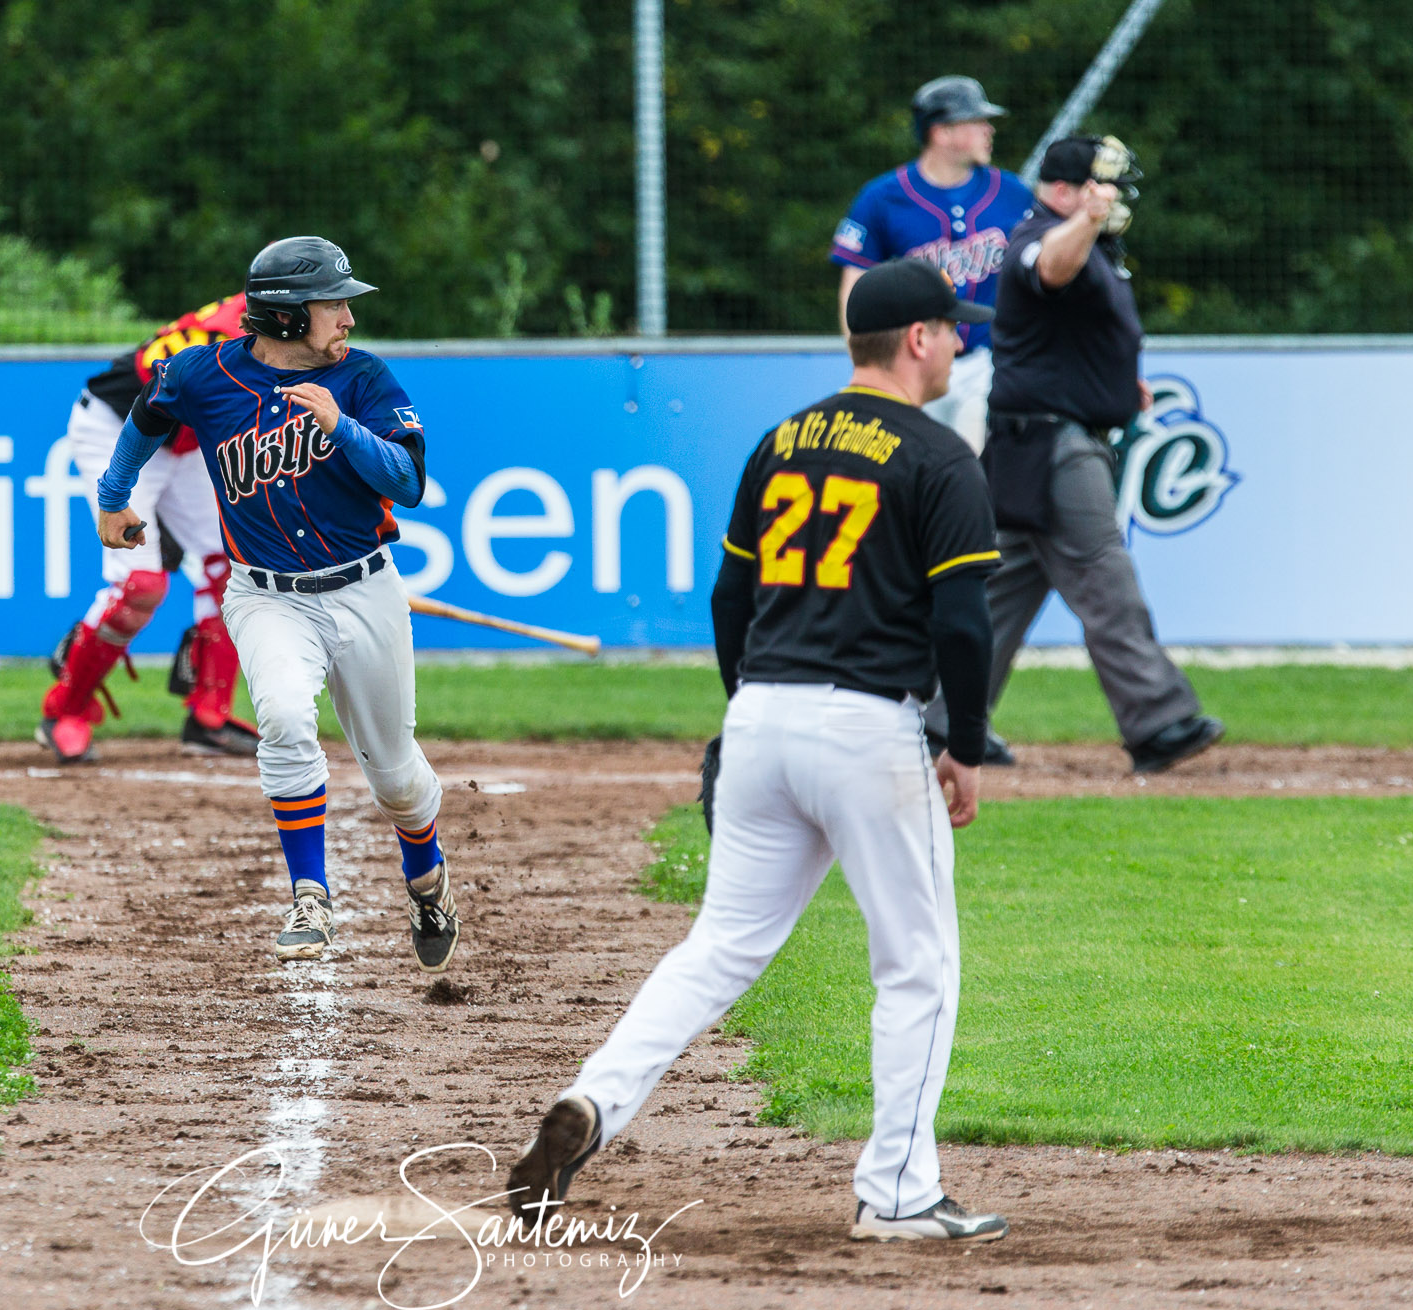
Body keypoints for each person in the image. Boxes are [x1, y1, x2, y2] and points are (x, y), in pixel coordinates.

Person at [510, 258, 1009, 1244]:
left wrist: (749, 712)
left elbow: (728, 600)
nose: (960, 341)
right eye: (950, 328)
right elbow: (961, 622)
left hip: (761, 719)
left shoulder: (780, 442)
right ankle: (898, 1195)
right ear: (915, 340)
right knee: (915, 967)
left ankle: (593, 1104)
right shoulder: (939, 456)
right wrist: (961, 743)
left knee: (716, 949)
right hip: (867, 729)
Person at [90, 236, 460, 972]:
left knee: (395, 777)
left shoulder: (362, 379)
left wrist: (339, 425)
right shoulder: (205, 372)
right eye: (336, 304)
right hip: (265, 597)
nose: (349, 319)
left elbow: (409, 481)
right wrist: (112, 497)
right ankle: (310, 896)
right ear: (289, 317)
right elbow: (148, 415)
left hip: (365, 588)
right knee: (286, 719)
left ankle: (427, 880)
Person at [925, 136, 1224, 775]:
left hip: (1037, 440)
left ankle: (940, 720)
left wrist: (1120, 382)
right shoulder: (1040, 235)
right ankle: (1160, 721)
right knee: (1105, 578)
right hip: (1050, 445)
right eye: (1100, 185)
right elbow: (1048, 269)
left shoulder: (1091, 247)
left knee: (998, 590)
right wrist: (1084, 220)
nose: (1113, 198)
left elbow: (1073, 333)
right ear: (1064, 189)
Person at [36, 294, 262, 764]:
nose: (344, 317)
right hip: (121, 427)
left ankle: (209, 719)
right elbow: (165, 406)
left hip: (184, 441)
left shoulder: (287, 337)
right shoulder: (235, 338)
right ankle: (64, 710)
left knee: (240, 568)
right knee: (141, 585)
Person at [831, 76, 1033, 453]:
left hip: (988, 362)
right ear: (942, 132)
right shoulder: (882, 198)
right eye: (977, 121)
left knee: (969, 466)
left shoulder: (1012, 193)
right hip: (913, 362)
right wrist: (869, 366)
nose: (989, 130)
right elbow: (854, 289)